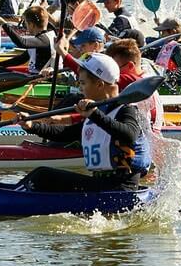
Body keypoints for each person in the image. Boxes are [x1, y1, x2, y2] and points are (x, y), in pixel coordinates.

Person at [18, 53, 155, 193]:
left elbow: (129, 135)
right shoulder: (98, 112)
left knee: (43, 176)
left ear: (100, 84)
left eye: (83, 83)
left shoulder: (127, 110)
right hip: (102, 184)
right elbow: (67, 134)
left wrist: (95, 115)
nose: (80, 88)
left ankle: (14, 197)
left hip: (121, 188)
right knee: (44, 178)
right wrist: (32, 126)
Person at [107, 38, 160, 127]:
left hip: (144, 138)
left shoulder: (138, 85)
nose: (110, 72)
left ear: (130, 66)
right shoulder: (144, 78)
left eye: (114, 68)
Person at [0, 5, 58, 76]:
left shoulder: (44, 39)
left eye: (26, 23)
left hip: (42, 78)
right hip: (33, 75)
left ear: (32, 25)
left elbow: (22, 43)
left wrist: (4, 24)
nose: (25, 26)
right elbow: (22, 59)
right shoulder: (40, 39)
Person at [149, 16, 181, 90]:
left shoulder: (179, 48)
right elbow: (153, 53)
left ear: (173, 32)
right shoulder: (167, 47)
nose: (161, 35)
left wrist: (168, 77)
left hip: (179, 87)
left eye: (163, 32)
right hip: (167, 85)